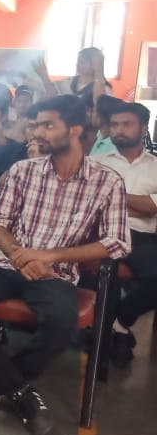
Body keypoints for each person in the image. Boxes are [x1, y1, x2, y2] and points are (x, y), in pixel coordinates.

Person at [0, 95, 129, 435]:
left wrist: (49, 257)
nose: (37, 132)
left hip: (55, 273)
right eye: (34, 125)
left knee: (62, 324)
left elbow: (117, 242)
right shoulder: (22, 171)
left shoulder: (107, 181)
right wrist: (19, 254)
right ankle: (19, 390)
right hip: (5, 262)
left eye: (48, 125)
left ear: (74, 130)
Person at [91, 102, 157, 368]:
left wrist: (114, 195)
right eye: (115, 124)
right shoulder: (96, 163)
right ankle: (112, 334)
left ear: (143, 129)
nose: (119, 130)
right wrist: (141, 204)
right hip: (101, 232)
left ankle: (120, 319)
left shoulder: (155, 166)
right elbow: (90, 204)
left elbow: (153, 208)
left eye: (127, 124)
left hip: (141, 236)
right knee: (103, 276)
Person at [35, 47, 112, 108]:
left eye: (82, 62)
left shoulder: (103, 88)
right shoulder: (70, 82)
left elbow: (102, 107)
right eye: (77, 62)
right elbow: (51, 93)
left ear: (94, 65)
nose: (77, 65)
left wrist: (99, 71)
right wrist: (44, 76)